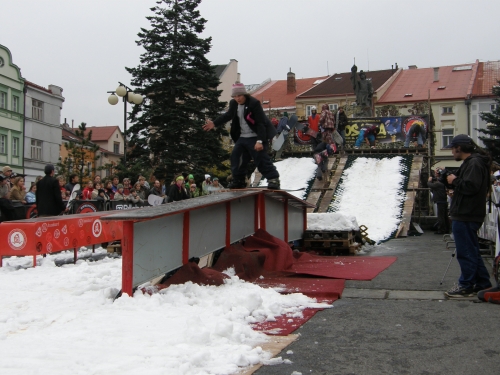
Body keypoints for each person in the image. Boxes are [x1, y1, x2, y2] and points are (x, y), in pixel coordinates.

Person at [203, 82, 280, 189]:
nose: (237, 99)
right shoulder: (233, 103)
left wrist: (260, 141)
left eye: (239, 96)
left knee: (260, 157)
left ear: (244, 94)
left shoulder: (254, 103)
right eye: (235, 96)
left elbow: (261, 123)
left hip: (256, 135)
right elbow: (228, 115)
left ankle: (273, 179)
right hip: (243, 137)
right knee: (236, 156)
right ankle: (239, 180)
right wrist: (214, 123)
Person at [443, 134, 492, 298]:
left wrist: (454, 180)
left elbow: (471, 186)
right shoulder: (475, 162)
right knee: (472, 250)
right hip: (468, 212)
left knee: (466, 251)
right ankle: (482, 283)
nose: (452, 152)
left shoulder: (474, 163)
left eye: (453, 149)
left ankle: (466, 285)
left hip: (466, 213)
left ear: (459, 148)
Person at [427, 168, 450, 234]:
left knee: (441, 217)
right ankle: (446, 229)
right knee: (445, 216)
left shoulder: (439, 184)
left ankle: (441, 230)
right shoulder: (442, 183)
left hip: (440, 201)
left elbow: (430, 185)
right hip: (443, 201)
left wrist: (429, 181)